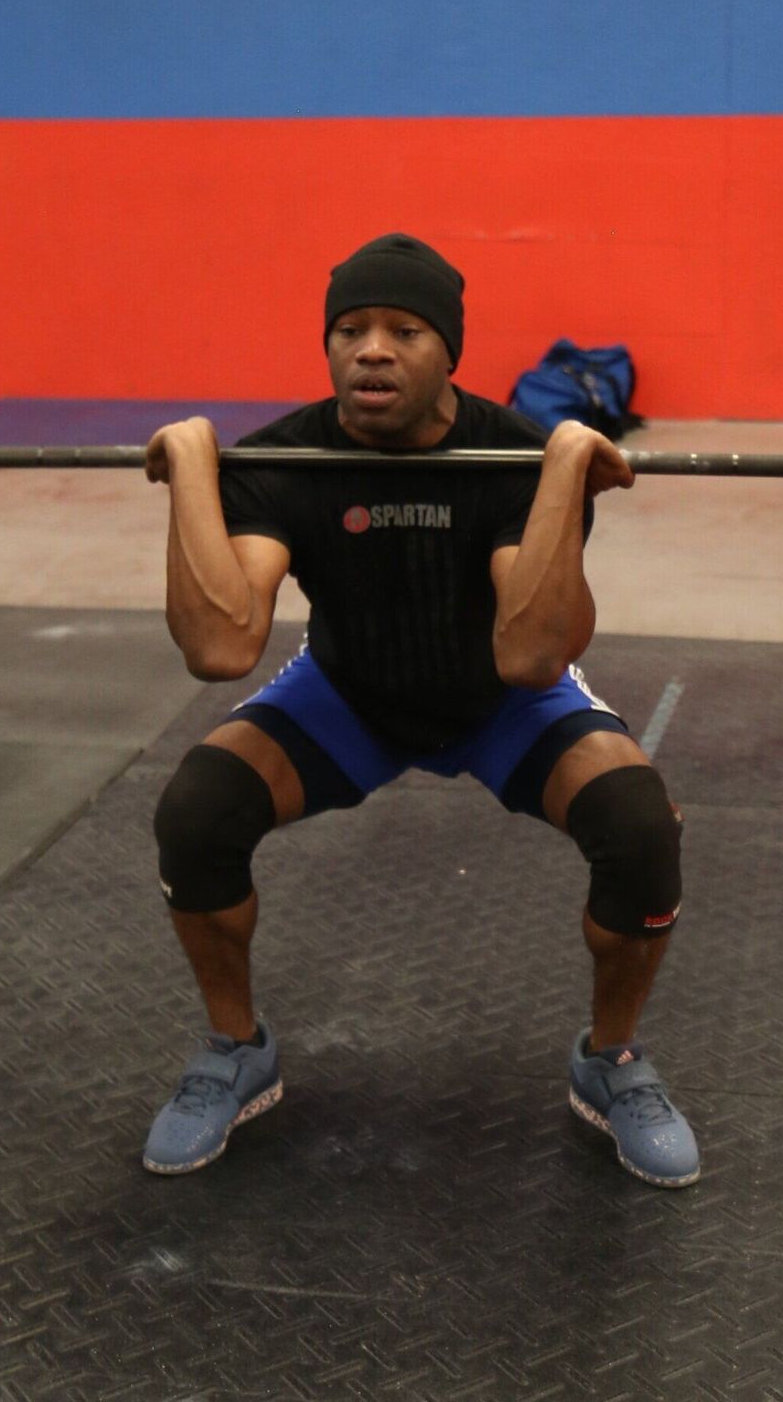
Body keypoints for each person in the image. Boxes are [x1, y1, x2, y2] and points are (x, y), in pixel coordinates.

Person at [140, 233, 697, 1188]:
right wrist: (194, 465)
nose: (371, 350)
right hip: (347, 697)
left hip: (500, 703)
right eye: (349, 330)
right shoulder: (285, 458)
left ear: (451, 352)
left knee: (638, 826)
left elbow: (529, 655)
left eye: (404, 329)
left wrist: (558, 468)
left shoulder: (518, 453)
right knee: (197, 812)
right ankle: (235, 1050)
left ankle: (611, 1062)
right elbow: (222, 647)